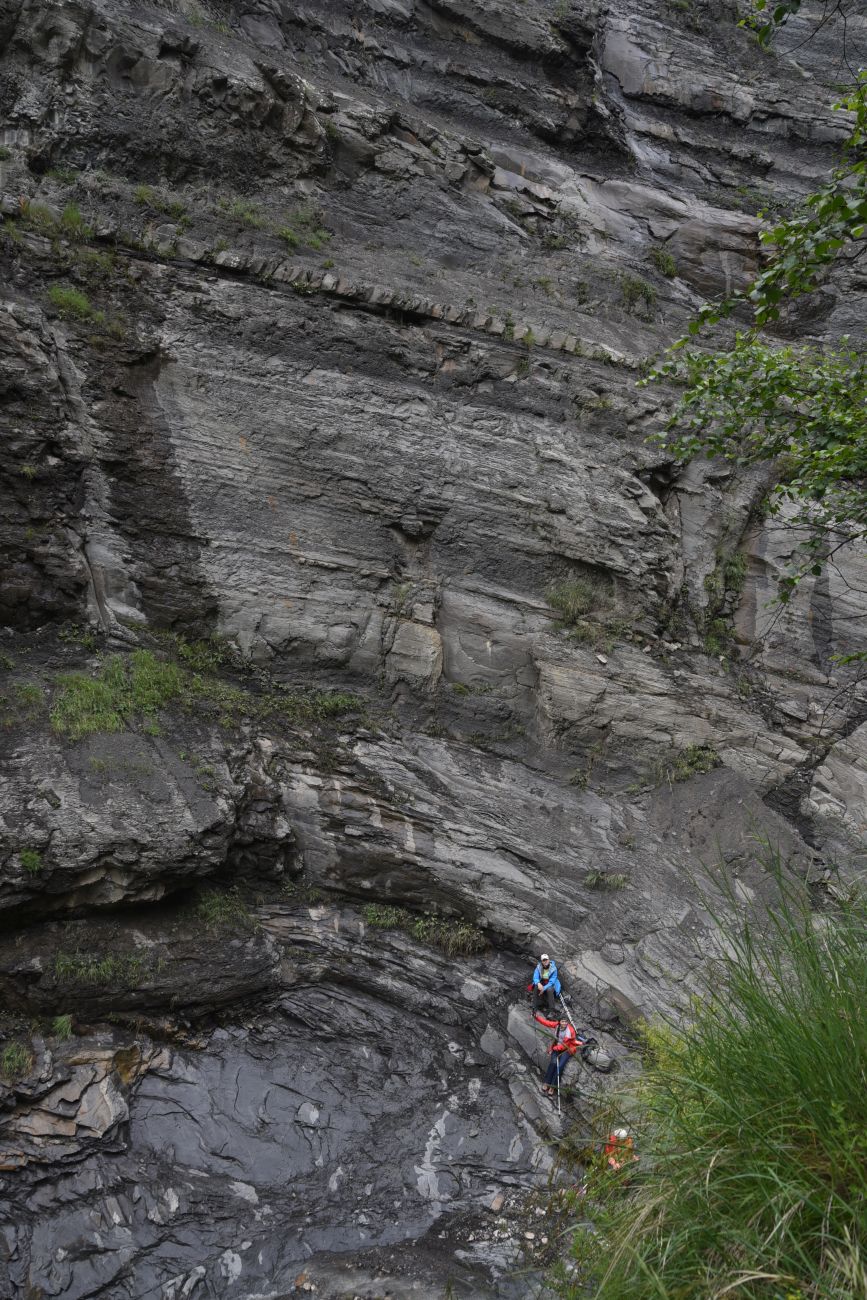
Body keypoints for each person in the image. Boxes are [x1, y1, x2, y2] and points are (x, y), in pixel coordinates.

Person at [533, 1012, 581, 1096]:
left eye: (566, 1021)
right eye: (562, 1021)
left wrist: (552, 1049)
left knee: (560, 1066)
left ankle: (552, 1086)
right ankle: (547, 1082)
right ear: (559, 1022)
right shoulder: (557, 1025)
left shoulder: (570, 1031)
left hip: (567, 1049)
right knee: (553, 1063)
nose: (564, 1023)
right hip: (557, 1046)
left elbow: (564, 1045)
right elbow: (547, 1023)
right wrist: (537, 1017)